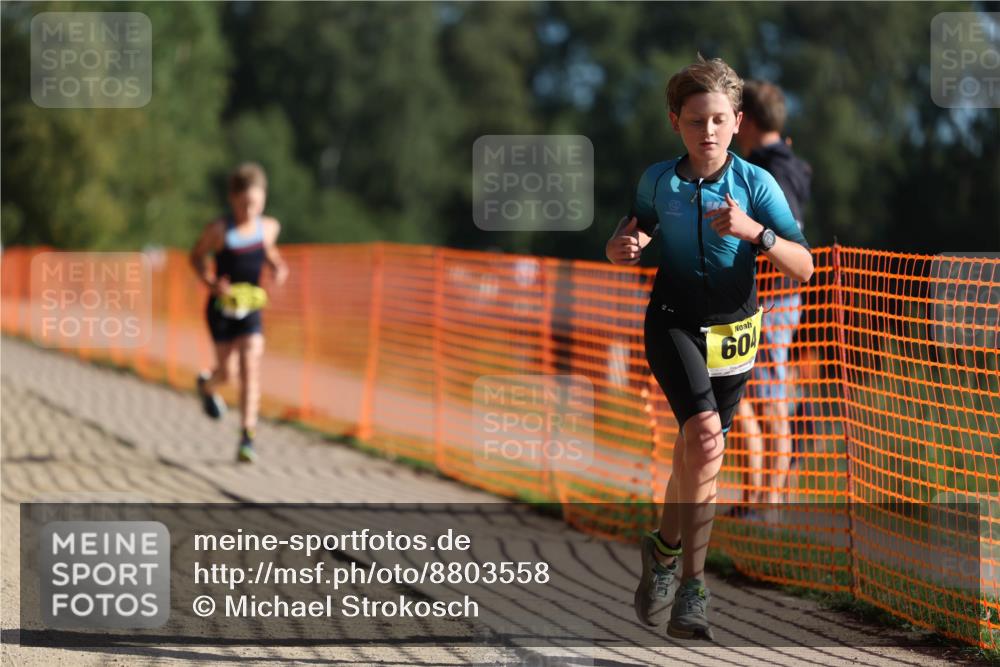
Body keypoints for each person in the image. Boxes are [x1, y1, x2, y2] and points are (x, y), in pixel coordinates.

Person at [606, 55, 813, 640]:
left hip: (734, 331)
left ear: (738, 120)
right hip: (673, 321)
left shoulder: (757, 185)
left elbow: (804, 266)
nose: (709, 132)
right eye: (696, 121)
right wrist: (619, 248)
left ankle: (664, 551)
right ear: (675, 122)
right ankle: (693, 587)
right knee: (704, 438)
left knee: (697, 454)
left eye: (720, 120)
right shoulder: (658, 180)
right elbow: (633, 230)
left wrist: (756, 233)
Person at [730, 80, 814, 511]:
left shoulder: (773, 172)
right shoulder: (782, 165)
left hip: (772, 297)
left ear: (746, 121)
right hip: (762, 296)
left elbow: (787, 236)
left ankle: (769, 501)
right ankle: (756, 499)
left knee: (767, 395)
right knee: (746, 393)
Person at [189, 162, 289, 463]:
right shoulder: (219, 230)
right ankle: (207, 386)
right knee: (227, 373)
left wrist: (277, 266)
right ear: (233, 199)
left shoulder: (268, 228)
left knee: (250, 366)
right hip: (221, 309)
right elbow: (196, 257)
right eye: (244, 204)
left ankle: (247, 437)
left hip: (250, 307)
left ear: (264, 199)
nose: (249, 210)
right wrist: (211, 282)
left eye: (255, 204)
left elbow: (268, 251)